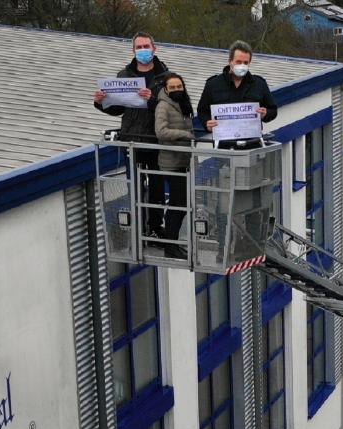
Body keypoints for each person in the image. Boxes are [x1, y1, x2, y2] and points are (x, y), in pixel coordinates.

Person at [93, 31, 170, 238]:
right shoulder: (124, 75)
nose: (143, 51)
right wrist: (100, 102)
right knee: (134, 185)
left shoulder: (166, 76)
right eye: (139, 47)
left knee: (155, 186)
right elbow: (118, 108)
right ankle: (137, 225)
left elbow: (172, 107)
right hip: (132, 138)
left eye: (146, 47)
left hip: (156, 138)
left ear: (154, 48)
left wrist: (151, 99)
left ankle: (155, 225)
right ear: (133, 50)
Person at [196, 40, 278, 149]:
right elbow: (202, 110)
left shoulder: (259, 84)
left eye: (245, 62)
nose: (242, 66)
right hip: (224, 147)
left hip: (252, 145)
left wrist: (266, 113)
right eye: (238, 62)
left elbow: (273, 110)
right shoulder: (213, 84)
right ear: (230, 61)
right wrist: (207, 123)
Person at [152, 72, 195, 259]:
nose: (177, 90)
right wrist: (184, 135)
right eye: (173, 87)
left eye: (179, 86)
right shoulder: (163, 106)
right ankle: (171, 245)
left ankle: (173, 243)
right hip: (171, 162)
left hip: (184, 160)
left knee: (181, 203)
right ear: (166, 89)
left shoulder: (183, 103)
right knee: (178, 204)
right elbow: (160, 131)